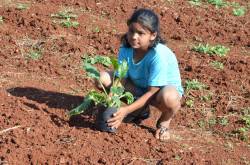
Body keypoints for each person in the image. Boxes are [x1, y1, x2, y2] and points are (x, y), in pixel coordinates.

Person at [99, 8, 184, 141]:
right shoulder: (126, 49)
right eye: (132, 31)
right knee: (102, 79)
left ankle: (164, 122)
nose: (134, 36)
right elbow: (121, 79)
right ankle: (140, 111)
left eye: (140, 33)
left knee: (170, 98)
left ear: (153, 35)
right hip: (138, 86)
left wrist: (125, 111)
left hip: (159, 93)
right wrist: (112, 103)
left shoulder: (158, 55)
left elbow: (151, 92)